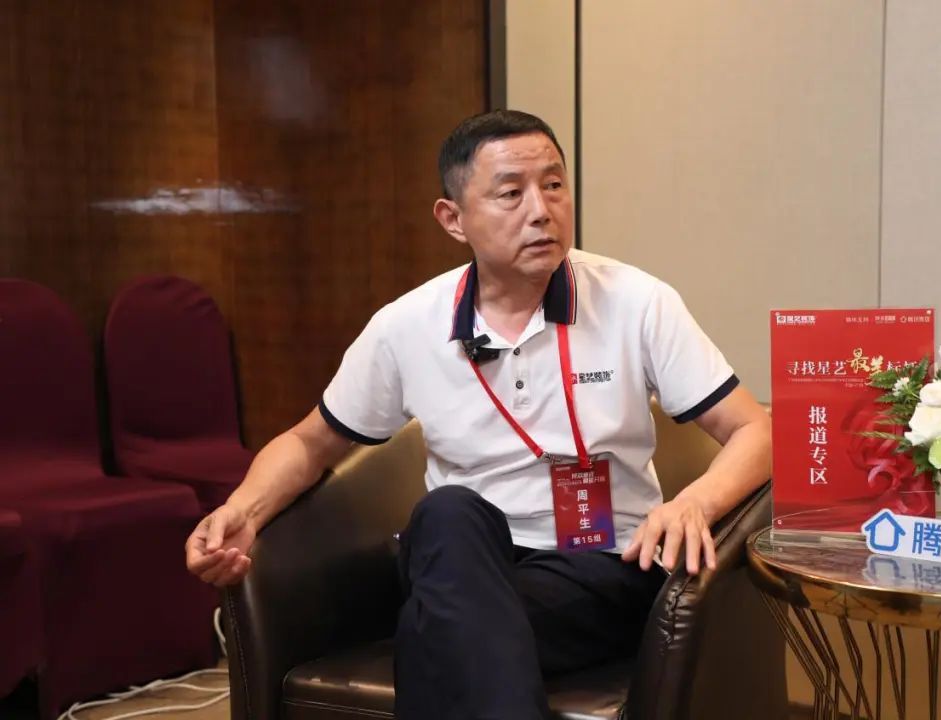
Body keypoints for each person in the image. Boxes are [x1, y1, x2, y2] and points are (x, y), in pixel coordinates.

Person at [185, 109, 771, 719]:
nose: (541, 210)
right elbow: (310, 443)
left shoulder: (636, 303)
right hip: (461, 559)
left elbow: (755, 431)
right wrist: (241, 512)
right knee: (447, 513)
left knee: (437, 627)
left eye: (553, 184)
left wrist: (695, 502)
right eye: (511, 193)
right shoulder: (407, 326)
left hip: (604, 567)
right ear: (453, 218)